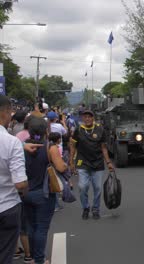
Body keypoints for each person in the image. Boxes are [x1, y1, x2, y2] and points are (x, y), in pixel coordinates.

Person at [23, 117, 67, 264]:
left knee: (31, 227)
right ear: (46, 130)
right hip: (44, 193)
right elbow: (61, 167)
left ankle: (33, 258)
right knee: (41, 228)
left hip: (25, 192)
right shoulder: (50, 147)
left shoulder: (22, 147)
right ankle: (39, 260)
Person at [70, 109, 114, 220]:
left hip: (97, 163)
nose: (87, 119)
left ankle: (95, 209)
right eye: (85, 117)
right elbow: (73, 146)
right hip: (82, 162)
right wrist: (71, 162)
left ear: (93, 118)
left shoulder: (100, 129)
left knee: (97, 188)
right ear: (82, 118)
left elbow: (103, 148)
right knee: (82, 186)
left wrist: (108, 162)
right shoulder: (78, 130)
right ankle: (85, 207)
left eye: (89, 117)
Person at [0, 95, 28, 264]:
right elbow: (20, 183)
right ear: (4, 113)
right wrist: (25, 191)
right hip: (7, 207)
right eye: (10, 111)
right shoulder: (11, 142)